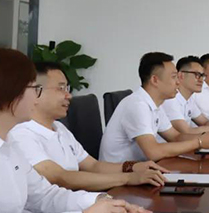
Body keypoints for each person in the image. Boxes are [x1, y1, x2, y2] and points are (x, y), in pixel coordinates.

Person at [0, 48, 149, 213]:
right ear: (11, 91)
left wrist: (100, 201)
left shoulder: (10, 144)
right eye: (33, 88)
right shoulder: (20, 136)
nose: (36, 96)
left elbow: (45, 195)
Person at [8, 62, 168, 192]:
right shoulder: (21, 133)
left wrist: (133, 167)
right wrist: (128, 178)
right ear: (36, 92)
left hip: (76, 203)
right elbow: (60, 177)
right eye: (61, 88)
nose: (68, 95)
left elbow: (93, 165)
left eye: (67, 89)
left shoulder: (59, 128)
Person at [99, 52, 209, 163]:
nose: (178, 82)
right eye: (173, 77)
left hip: (141, 169)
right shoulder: (138, 105)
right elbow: (153, 151)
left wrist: (206, 138)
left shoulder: (156, 105)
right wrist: (199, 142)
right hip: (120, 175)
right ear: (155, 80)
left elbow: (175, 137)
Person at [162, 56, 209, 135]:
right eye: (197, 75)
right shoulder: (171, 99)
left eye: (202, 75)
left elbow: (205, 122)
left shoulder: (189, 100)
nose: (201, 80)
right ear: (181, 75)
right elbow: (186, 132)